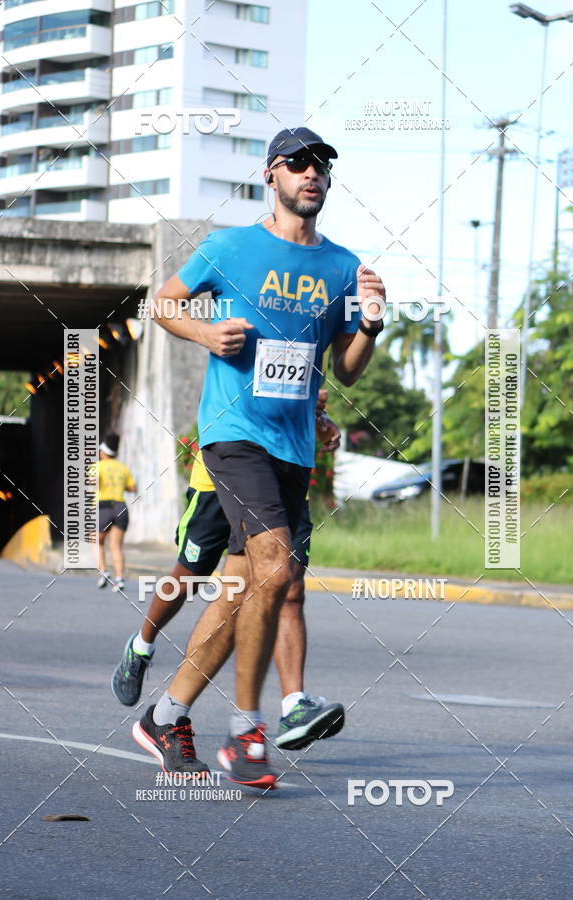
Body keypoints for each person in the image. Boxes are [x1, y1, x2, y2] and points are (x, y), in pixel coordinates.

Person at [133, 126, 386, 788]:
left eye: (323, 165)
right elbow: (161, 303)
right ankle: (248, 732)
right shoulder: (230, 248)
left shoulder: (344, 268)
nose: (313, 174)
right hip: (232, 432)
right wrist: (203, 330)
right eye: (299, 163)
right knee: (274, 568)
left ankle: (166, 713)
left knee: (242, 588)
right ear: (270, 175)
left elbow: (349, 371)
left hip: (293, 445)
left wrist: (371, 328)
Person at [113, 391, 344, 754]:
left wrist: (320, 420)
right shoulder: (243, 334)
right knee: (190, 576)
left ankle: (293, 705)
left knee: (289, 584)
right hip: (225, 472)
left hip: (284, 476)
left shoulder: (321, 339)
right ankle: (141, 646)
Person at [93, 432, 137, 592]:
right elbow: (133, 488)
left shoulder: (97, 466)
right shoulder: (123, 468)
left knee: (97, 542)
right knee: (116, 546)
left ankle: (103, 572)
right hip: (120, 508)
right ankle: (120, 579)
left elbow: (91, 481)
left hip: (103, 507)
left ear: (103, 452)